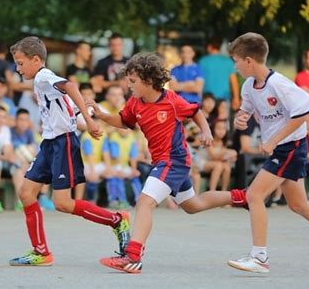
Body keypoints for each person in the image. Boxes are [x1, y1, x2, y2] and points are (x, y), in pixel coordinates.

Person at [87, 52, 247, 274]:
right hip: (163, 162)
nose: (128, 84)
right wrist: (102, 115)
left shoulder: (171, 101)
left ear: (149, 81)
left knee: (144, 202)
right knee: (193, 206)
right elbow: (124, 121)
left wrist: (206, 130)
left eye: (132, 81)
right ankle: (241, 197)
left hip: (174, 160)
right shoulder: (134, 103)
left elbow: (195, 111)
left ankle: (132, 256)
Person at [227, 32, 309, 273]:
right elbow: (246, 111)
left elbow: (304, 113)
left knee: (254, 195)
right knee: (298, 204)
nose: (236, 65)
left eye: (236, 60)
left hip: (290, 147)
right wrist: (240, 120)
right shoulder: (248, 86)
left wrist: (273, 140)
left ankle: (260, 257)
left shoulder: (279, 84)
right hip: (283, 147)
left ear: (249, 60)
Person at [8, 36, 131, 266]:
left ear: (36, 60)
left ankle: (117, 220)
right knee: (26, 193)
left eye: (20, 63)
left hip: (62, 144)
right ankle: (41, 252)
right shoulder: (42, 82)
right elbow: (68, 105)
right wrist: (85, 116)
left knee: (62, 203)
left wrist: (89, 120)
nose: (18, 68)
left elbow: (71, 86)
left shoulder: (44, 77)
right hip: (50, 143)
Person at [198, 37, 240, 111]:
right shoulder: (228, 62)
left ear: (209, 47)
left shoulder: (202, 61)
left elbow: (198, 82)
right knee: (222, 121)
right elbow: (234, 81)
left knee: (206, 122)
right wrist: (236, 99)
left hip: (207, 99)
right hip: (224, 98)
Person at [107, 128, 143, 209]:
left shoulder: (132, 138)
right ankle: (120, 201)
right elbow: (115, 156)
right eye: (120, 128)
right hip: (114, 165)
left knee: (135, 175)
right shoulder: (114, 137)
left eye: (125, 128)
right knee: (117, 177)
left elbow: (133, 156)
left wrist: (134, 169)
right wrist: (119, 170)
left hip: (125, 165)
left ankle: (140, 200)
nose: (122, 130)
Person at [91, 33, 129, 101]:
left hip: (126, 100)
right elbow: (99, 83)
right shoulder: (102, 62)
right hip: (107, 100)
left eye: (118, 45)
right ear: (109, 46)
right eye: (113, 45)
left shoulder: (130, 62)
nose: (115, 47)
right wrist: (117, 83)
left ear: (123, 45)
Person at [206, 119, 237, 191]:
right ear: (213, 129)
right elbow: (212, 156)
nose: (221, 131)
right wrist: (227, 152)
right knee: (219, 165)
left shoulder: (223, 142)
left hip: (216, 162)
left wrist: (231, 156)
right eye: (218, 128)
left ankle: (224, 191)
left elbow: (223, 157)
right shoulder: (209, 139)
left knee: (227, 167)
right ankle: (212, 191)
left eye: (224, 128)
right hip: (204, 161)